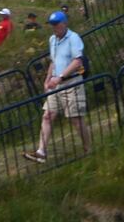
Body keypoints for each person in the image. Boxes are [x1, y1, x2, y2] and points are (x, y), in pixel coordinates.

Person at [24, 11, 90, 163]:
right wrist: (47, 80)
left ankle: (88, 148)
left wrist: (60, 77)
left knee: (76, 119)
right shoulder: (52, 39)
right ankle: (41, 152)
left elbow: (77, 61)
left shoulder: (73, 38)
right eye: (52, 25)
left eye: (56, 24)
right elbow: (53, 62)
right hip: (56, 83)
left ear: (64, 23)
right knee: (47, 115)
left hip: (72, 82)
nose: (54, 28)